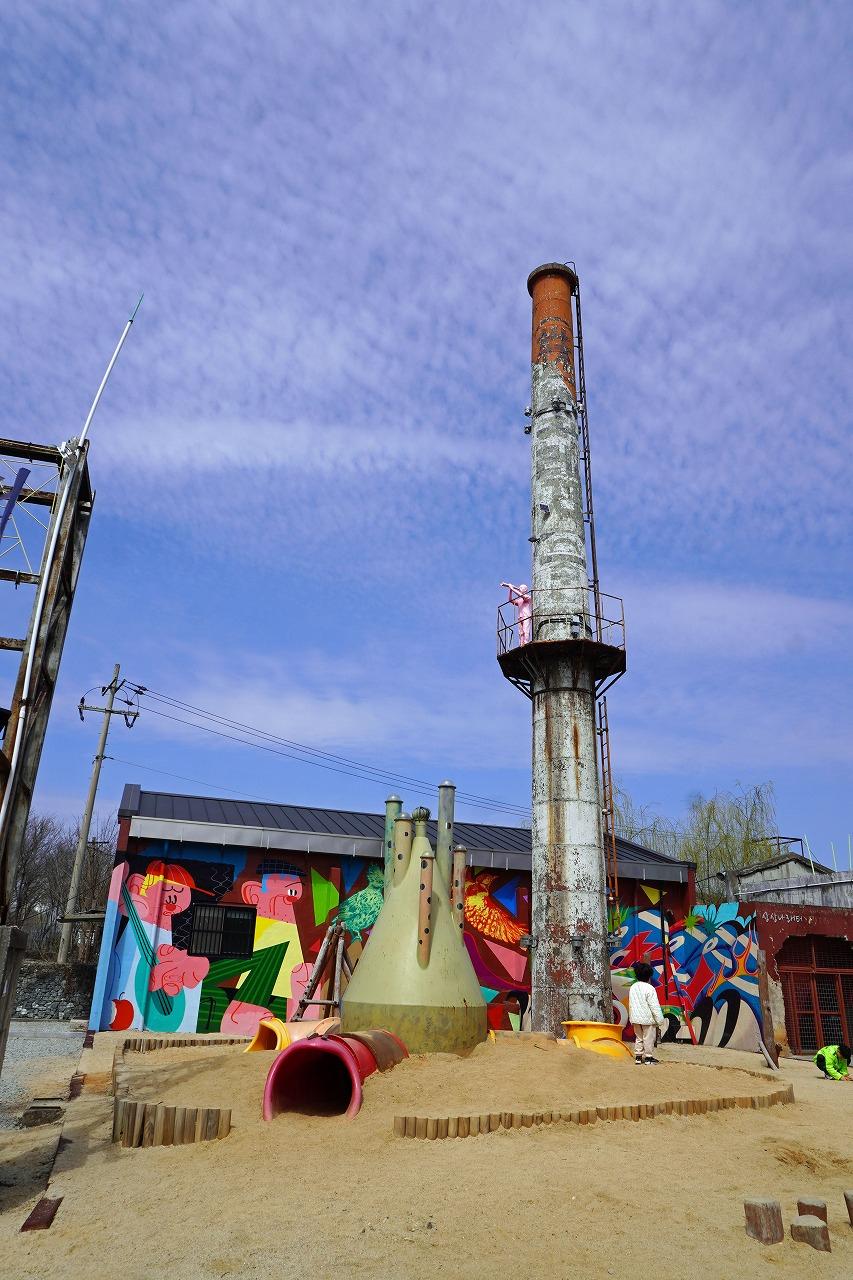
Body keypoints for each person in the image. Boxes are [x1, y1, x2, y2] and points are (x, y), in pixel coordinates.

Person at [628, 960, 666, 1065]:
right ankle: (648, 1058)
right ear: (649, 976)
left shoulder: (633, 987)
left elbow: (631, 1003)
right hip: (647, 1019)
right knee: (648, 1038)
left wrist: (631, 1017)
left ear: (636, 975)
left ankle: (638, 1057)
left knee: (639, 1037)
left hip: (635, 1018)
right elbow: (654, 1006)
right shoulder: (650, 988)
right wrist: (660, 1020)